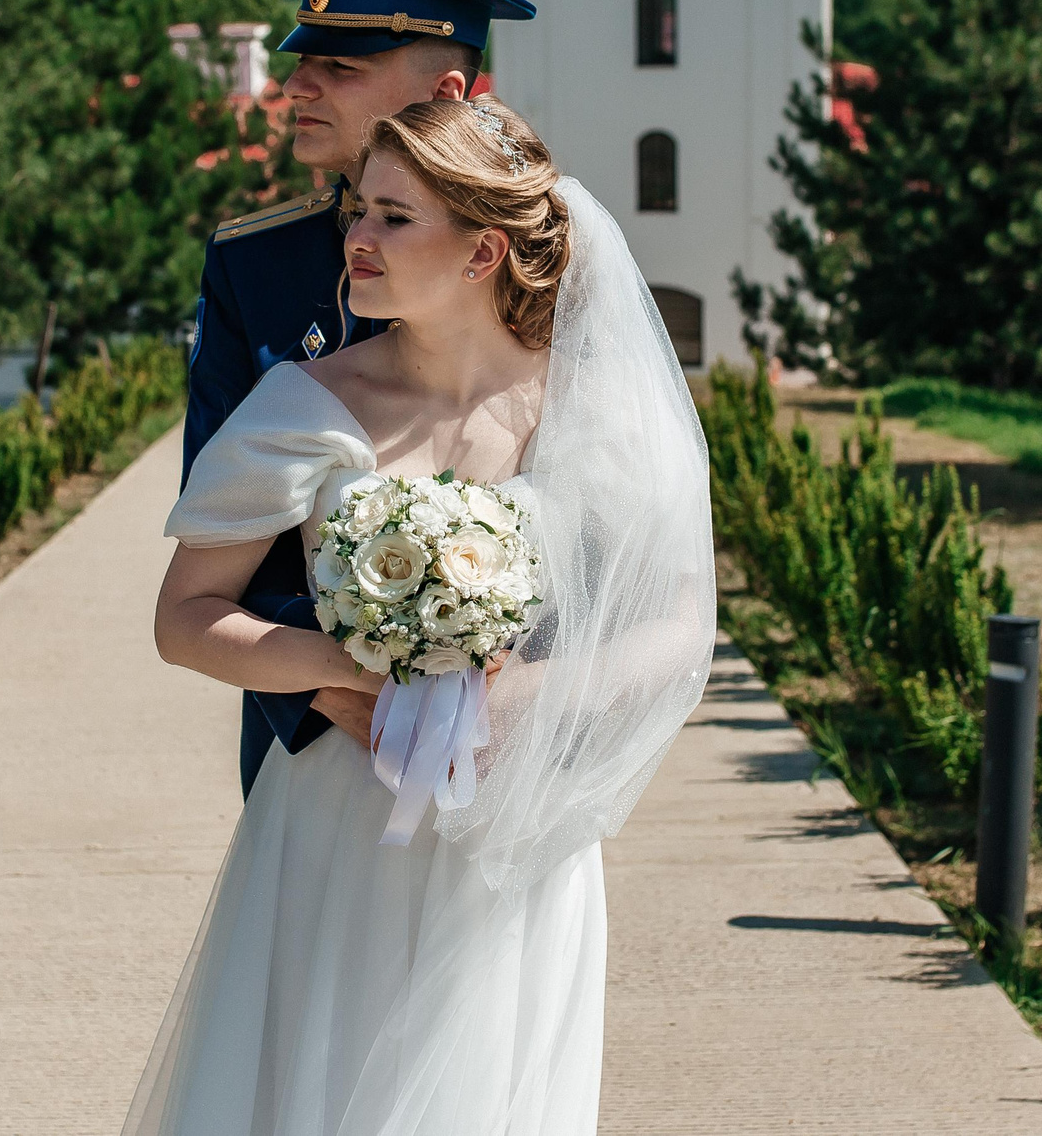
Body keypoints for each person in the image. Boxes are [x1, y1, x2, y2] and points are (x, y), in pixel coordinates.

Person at [131, 98, 716, 1135]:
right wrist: (356, 672)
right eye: (362, 207)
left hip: (517, 829)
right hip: (336, 821)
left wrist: (522, 696)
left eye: (395, 218)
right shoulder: (304, 404)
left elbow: (676, 624)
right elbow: (187, 618)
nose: (355, 237)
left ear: (483, 250)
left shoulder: (596, 410)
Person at [183, 0, 534, 796]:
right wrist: (327, 680)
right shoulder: (253, 264)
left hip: (509, 743)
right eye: (304, 60)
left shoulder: (541, 263)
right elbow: (220, 521)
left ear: (444, 91)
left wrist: (504, 688)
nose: (295, 84)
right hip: (316, 741)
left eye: (340, 68)